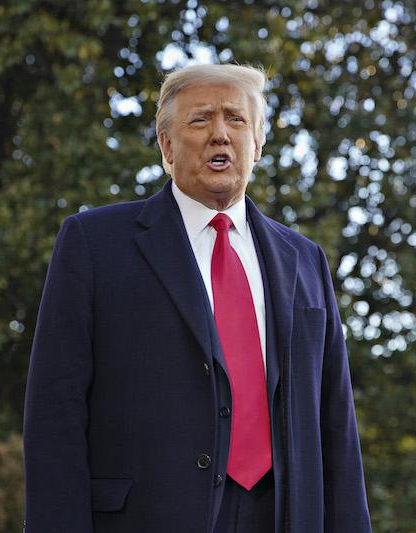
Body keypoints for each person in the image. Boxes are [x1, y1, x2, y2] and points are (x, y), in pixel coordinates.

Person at [23, 63, 372, 533]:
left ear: (259, 143)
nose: (220, 134)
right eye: (201, 119)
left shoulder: (306, 260)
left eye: (236, 119)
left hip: (283, 515)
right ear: (167, 146)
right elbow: (55, 412)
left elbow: (337, 425)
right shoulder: (94, 243)